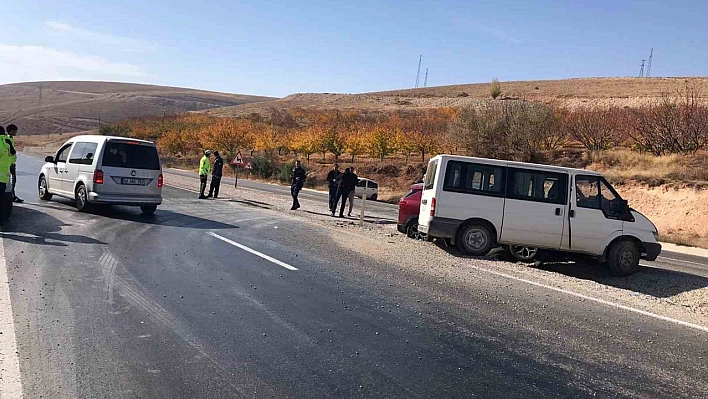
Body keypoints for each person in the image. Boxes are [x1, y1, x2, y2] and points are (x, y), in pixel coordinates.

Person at [0, 126, 15, 221]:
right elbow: (12, 156)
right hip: (4, 177)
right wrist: (12, 166)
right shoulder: (8, 142)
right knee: (2, 200)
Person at [5, 124, 21, 203]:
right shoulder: (7, 139)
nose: (16, 132)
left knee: (13, 180)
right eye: (15, 131)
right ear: (11, 131)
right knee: (12, 180)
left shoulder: (10, 139)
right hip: (9, 163)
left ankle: (12, 195)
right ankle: (11, 196)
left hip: (12, 162)